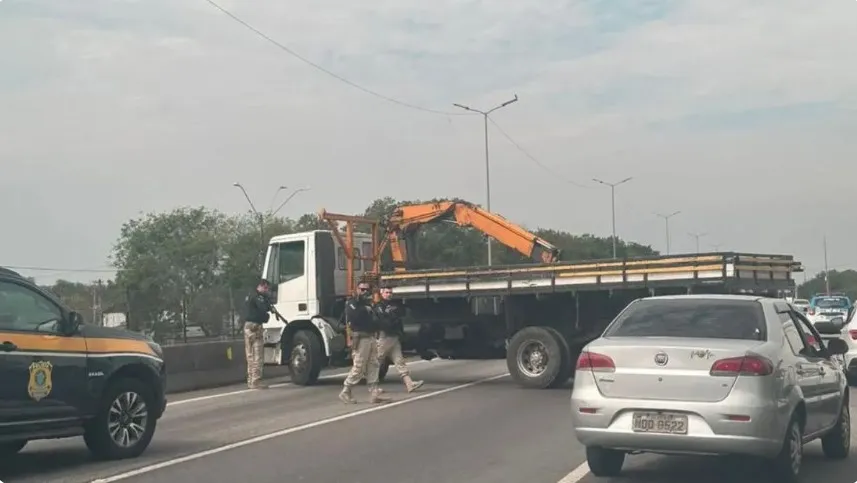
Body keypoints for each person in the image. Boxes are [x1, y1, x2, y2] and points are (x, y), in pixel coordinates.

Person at [339, 281, 390, 404]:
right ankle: (346, 390)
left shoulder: (368, 304)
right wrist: (366, 310)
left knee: (374, 364)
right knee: (359, 366)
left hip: (371, 336)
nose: (364, 292)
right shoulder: (351, 303)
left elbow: (376, 318)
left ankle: (374, 393)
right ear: (357, 289)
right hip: (361, 338)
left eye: (367, 290)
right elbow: (354, 317)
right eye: (362, 289)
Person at [374, 285, 423, 393]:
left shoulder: (394, 305)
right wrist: (393, 318)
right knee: (377, 361)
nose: (389, 294)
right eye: (386, 292)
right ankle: (373, 387)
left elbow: (401, 314)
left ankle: (409, 383)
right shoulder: (378, 306)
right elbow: (383, 321)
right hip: (385, 337)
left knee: (399, 361)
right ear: (381, 293)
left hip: (394, 337)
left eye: (390, 292)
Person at [243, 278, 276, 389]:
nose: (266, 290)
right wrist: (267, 311)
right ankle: (255, 381)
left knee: (250, 356)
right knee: (257, 356)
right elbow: (263, 309)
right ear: (260, 286)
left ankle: (250, 380)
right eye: (265, 287)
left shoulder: (249, 296)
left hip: (248, 326)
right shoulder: (258, 297)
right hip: (255, 327)